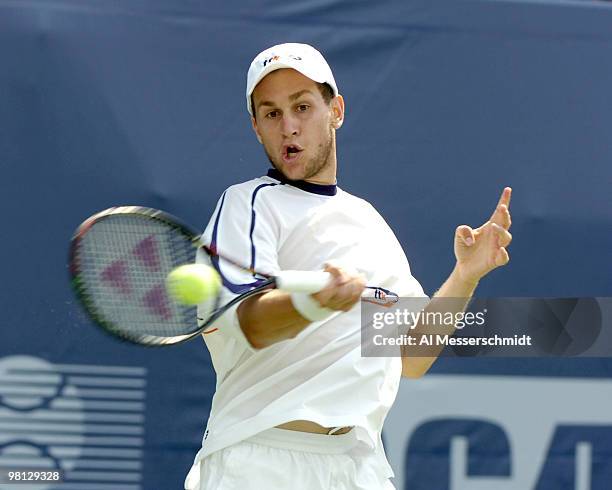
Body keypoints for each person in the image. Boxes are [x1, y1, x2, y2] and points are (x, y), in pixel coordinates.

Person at [184, 42, 512, 490]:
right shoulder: (247, 204)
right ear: (257, 128)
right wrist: (316, 304)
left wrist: (465, 275)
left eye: (302, 107)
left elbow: (411, 357)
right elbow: (251, 324)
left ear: (335, 110)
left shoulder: (368, 222)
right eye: (272, 114)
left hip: (358, 466)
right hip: (260, 460)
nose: (289, 127)